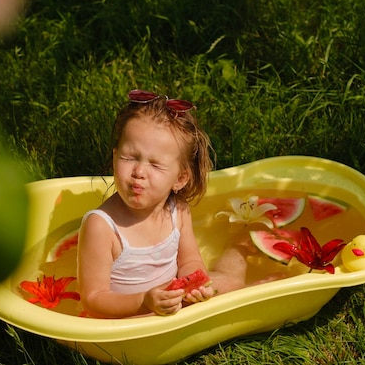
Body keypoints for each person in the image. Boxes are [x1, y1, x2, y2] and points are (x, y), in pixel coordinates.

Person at [77, 90, 246, 319]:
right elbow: (93, 299)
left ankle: (245, 244)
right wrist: (143, 302)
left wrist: (193, 283)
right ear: (115, 156)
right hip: (128, 320)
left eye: (155, 165)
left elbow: (190, 261)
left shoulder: (178, 211)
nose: (139, 172)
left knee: (231, 281)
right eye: (129, 157)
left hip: (173, 305)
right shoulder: (101, 227)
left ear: (180, 179)